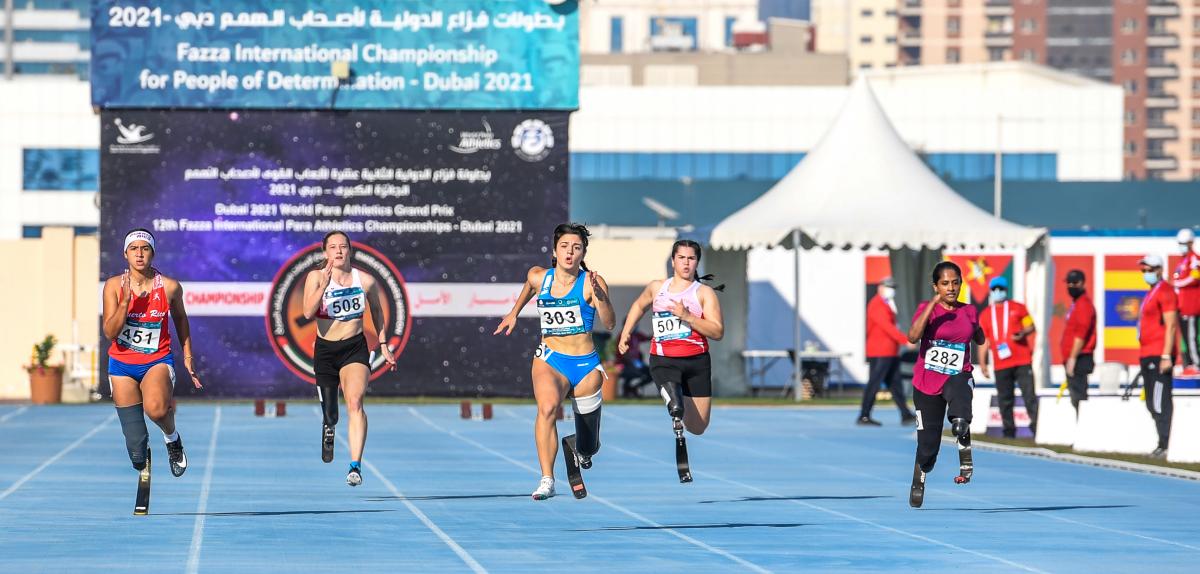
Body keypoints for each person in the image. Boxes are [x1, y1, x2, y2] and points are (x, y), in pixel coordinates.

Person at [494, 223, 616, 500]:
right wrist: (513, 313)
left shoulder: (591, 282)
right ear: (555, 250)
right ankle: (547, 479)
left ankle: (579, 447)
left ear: (583, 252)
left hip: (585, 365)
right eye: (565, 247)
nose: (570, 252)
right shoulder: (540, 277)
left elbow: (609, 323)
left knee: (589, 447)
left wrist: (600, 297)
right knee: (547, 409)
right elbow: (528, 287)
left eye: (576, 247)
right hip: (551, 359)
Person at [102, 229, 202, 486]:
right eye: (133, 248)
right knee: (136, 449)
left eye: (144, 248)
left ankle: (172, 439)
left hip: (156, 360)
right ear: (125, 254)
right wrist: (125, 304)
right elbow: (110, 333)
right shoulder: (113, 286)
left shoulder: (169, 287)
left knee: (156, 409)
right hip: (122, 365)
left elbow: (181, 318)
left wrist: (188, 356)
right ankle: (140, 452)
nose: (139, 253)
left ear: (152, 253)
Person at [301, 231, 397, 486]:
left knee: (355, 402)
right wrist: (323, 285)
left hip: (355, 348)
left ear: (350, 251)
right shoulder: (314, 277)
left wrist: (384, 343)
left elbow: (376, 311)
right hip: (325, 351)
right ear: (325, 253)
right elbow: (308, 312)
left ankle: (355, 465)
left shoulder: (365, 280)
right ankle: (329, 425)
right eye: (333, 247)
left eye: (343, 246)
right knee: (331, 413)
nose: (339, 251)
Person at [618, 240, 724, 436]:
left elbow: (717, 331)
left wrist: (688, 317)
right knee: (675, 403)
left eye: (691, 258)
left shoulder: (703, 293)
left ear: (697, 262)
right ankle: (674, 403)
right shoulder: (657, 288)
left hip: (696, 362)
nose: (686, 263)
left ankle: (678, 404)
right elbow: (639, 306)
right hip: (664, 360)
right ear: (673, 261)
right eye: (681, 258)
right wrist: (626, 332)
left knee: (698, 427)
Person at [906, 261, 985, 508]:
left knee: (961, 386)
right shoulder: (927, 310)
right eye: (945, 284)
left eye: (955, 282)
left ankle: (960, 422)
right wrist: (932, 304)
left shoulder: (969, 311)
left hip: (956, 375)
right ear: (936, 286)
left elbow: (978, 334)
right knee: (928, 448)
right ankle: (921, 474)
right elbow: (912, 337)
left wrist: (979, 335)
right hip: (926, 383)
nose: (951, 288)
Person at [977, 277, 1038, 438]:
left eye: (1001, 289)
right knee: (1005, 399)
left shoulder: (1018, 307)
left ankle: (1036, 427)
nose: (998, 292)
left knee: (1029, 395)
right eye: (995, 289)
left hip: (1022, 360)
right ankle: (1009, 431)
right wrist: (983, 363)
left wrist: (1023, 333)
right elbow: (984, 341)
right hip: (1001, 363)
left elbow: (1031, 326)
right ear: (991, 292)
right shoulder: (985, 314)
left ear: (1006, 290)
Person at [860, 276, 917, 426]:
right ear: (881, 287)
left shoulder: (886, 304)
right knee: (875, 382)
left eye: (893, 288)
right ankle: (864, 415)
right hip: (880, 351)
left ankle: (905, 414)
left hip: (889, 351)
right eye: (889, 287)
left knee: (895, 384)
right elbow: (887, 327)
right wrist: (905, 340)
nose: (892, 291)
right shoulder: (877, 305)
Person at [1137, 254, 1177, 459]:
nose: (1146, 274)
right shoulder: (1151, 292)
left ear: (1160, 270)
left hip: (1159, 354)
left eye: (1150, 270)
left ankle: (1165, 443)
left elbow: (1171, 324)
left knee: (1160, 401)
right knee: (1151, 402)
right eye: (1144, 270)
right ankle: (1161, 442)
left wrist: (1166, 355)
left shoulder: (1166, 291)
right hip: (1147, 353)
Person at [1061, 269, 1097, 412]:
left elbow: (1081, 334)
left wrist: (1072, 358)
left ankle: (1082, 425)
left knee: (1079, 397)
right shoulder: (1076, 304)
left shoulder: (1084, 305)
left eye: (1074, 283)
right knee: (1075, 396)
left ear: (1082, 283)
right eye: (1068, 283)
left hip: (1080, 358)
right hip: (1075, 357)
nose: (1071, 286)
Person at [1171, 229, 1200, 375]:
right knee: (1185, 339)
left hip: (1192, 307)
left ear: (1190, 243)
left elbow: (1195, 278)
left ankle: (1196, 364)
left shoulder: (1195, 259)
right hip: (1182, 307)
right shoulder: (1183, 260)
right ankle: (1188, 365)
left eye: (1184, 243)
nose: (1182, 246)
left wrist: (1178, 283)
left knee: (1191, 338)